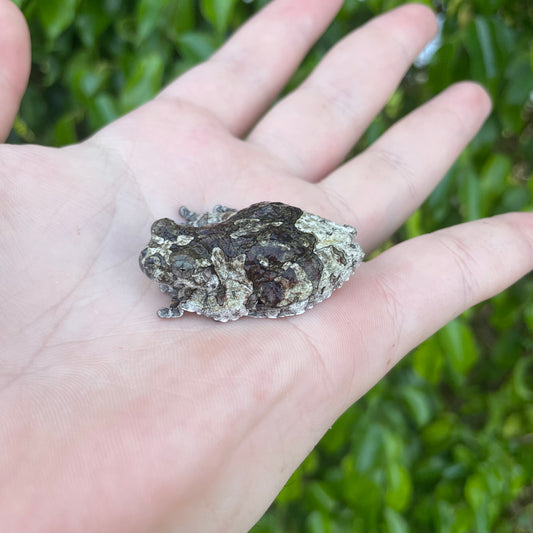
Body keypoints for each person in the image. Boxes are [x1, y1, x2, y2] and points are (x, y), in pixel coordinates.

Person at [1, 0, 531, 531]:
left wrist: (196, 299)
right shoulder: (198, 245)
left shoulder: (216, 274)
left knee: (260, 275)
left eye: (173, 263)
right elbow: (216, 228)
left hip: (291, 248)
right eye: (167, 246)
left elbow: (232, 298)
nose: (156, 260)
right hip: (267, 229)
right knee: (239, 238)